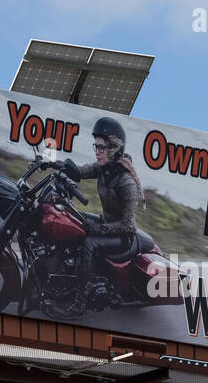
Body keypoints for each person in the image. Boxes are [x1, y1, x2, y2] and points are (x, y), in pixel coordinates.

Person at [58, 116, 144, 312]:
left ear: (114, 148)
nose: (97, 152)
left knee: (89, 243)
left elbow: (128, 225)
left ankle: (80, 301)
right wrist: (52, 165)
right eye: (95, 147)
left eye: (101, 148)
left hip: (123, 237)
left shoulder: (126, 183)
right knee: (72, 217)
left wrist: (99, 228)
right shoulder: (104, 168)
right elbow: (78, 172)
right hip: (107, 225)